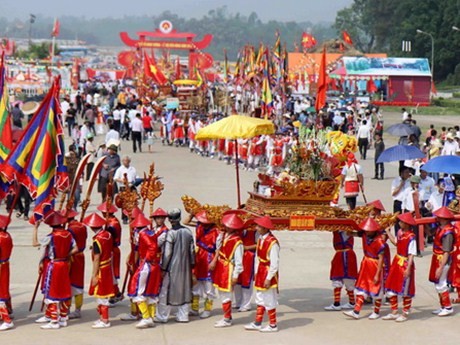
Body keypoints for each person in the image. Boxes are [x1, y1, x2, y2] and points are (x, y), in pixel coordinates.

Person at [35, 211, 77, 329]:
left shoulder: (51, 237)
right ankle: (63, 317)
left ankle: (54, 320)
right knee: (63, 290)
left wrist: (35, 229)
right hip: (64, 263)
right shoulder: (69, 234)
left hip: (54, 265)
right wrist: (66, 255)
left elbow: (35, 243)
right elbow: (76, 248)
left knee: (51, 291)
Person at [155, 208, 195, 323]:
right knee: (185, 289)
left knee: (165, 291)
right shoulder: (188, 232)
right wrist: (192, 265)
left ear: (169, 219)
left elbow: (167, 253)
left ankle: (162, 316)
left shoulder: (170, 233)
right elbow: (192, 251)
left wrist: (163, 268)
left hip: (172, 267)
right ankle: (183, 315)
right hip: (186, 266)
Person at [343, 218, 385, 320]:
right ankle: (356, 311)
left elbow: (381, 259)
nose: (366, 231)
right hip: (366, 264)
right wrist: (349, 233)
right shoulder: (365, 235)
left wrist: (377, 274)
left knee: (376, 289)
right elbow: (356, 234)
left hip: (375, 265)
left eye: (368, 230)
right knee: (362, 287)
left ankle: (376, 311)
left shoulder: (379, 241)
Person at [245, 216, 280, 333]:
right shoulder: (260, 239)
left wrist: (269, 278)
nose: (256, 228)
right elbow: (258, 258)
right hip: (260, 271)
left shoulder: (272, 243)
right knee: (260, 297)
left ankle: (273, 325)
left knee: (269, 299)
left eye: (259, 226)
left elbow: (274, 263)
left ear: (265, 228)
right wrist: (256, 272)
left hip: (267, 271)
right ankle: (258, 322)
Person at [128, 213, 162, 329]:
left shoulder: (143, 234)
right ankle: (151, 317)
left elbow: (152, 247)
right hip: (154, 265)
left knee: (138, 291)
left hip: (147, 264)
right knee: (151, 291)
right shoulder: (150, 232)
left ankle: (146, 317)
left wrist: (147, 259)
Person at [211, 212, 244, 328]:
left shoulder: (237, 242)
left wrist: (235, 275)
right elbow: (218, 247)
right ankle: (226, 316)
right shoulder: (225, 236)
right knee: (221, 293)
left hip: (228, 269)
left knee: (226, 294)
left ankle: (227, 318)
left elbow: (239, 261)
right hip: (221, 267)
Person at [382, 212, 417, 322]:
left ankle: (405, 313)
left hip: (405, 263)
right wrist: (388, 232)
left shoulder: (411, 237)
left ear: (406, 224)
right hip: (397, 262)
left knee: (406, 290)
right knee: (391, 286)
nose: (400, 223)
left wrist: (408, 268)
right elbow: (396, 243)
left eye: (401, 222)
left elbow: (411, 254)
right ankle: (394, 311)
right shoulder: (399, 232)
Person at [84, 213, 116, 328]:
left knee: (101, 294)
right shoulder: (108, 234)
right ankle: (102, 318)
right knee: (103, 294)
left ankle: (105, 320)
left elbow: (97, 258)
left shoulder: (97, 239)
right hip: (108, 265)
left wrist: (94, 275)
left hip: (102, 268)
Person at [188, 210, 219, 319]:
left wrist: (214, 260)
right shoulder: (199, 226)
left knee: (208, 286)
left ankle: (207, 309)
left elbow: (219, 248)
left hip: (209, 257)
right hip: (199, 256)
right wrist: (192, 213)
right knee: (196, 283)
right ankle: (194, 308)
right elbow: (186, 222)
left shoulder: (217, 231)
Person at [430, 207, 456, 317]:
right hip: (437, 258)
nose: (437, 218)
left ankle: (448, 307)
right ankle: (443, 306)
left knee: (441, 283)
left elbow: (446, 251)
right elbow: (431, 235)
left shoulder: (448, 232)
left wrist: (441, 267)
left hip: (443, 260)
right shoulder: (440, 228)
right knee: (437, 283)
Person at [324, 230, 358, 311]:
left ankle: (339, 303)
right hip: (343, 255)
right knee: (341, 279)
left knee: (344, 279)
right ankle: (350, 302)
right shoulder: (339, 230)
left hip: (346, 256)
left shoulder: (348, 230)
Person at [97, 202, 123, 304]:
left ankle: (114, 294)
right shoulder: (110, 221)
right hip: (111, 249)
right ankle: (116, 294)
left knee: (110, 273)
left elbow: (109, 239)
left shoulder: (112, 224)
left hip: (112, 250)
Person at [64, 210, 87, 320]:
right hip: (81, 256)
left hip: (73, 257)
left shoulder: (70, 230)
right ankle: (78, 309)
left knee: (70, 283)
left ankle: (67, 308)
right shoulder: (82, 226)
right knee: (79, 283)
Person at [234, 216, 258, 312]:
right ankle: (238, 302)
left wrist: (247, 248)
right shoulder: (237, 229)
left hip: (249, 257)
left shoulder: (254, 231)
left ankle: (246, 304)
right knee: (237, 280)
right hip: (237, 256)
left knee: (247, 280)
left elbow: (260, 244)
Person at [0, 215, 13, 331]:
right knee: (4, 288)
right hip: (5, 264)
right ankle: (9, 310)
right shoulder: (7, 236)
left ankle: (6, 320)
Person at [391, 167, 411, 233]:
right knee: (397, 220)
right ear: (401, 173)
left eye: (408, 172)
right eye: (406, 172)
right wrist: (400, 185)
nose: (408, 174)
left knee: (406, 221)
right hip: (398, 202)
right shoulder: (395, 181)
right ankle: (397, 235)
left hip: (406, 203)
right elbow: (393, 193)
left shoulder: (410, 181)